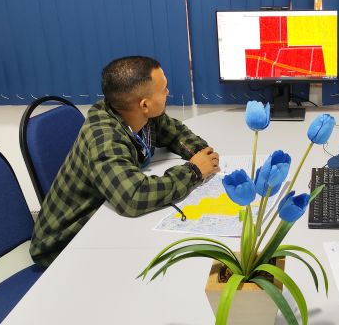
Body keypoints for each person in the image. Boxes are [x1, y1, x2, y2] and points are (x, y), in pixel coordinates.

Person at [30, 56, 220, 267]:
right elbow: (133, 196)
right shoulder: (104, 138)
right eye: (163, 89)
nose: (168, 93)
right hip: (65, 244)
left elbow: (175, 133)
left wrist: (200, 152)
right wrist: (194, 171)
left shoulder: (136, 113)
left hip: (103, 220)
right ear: (145, 104)